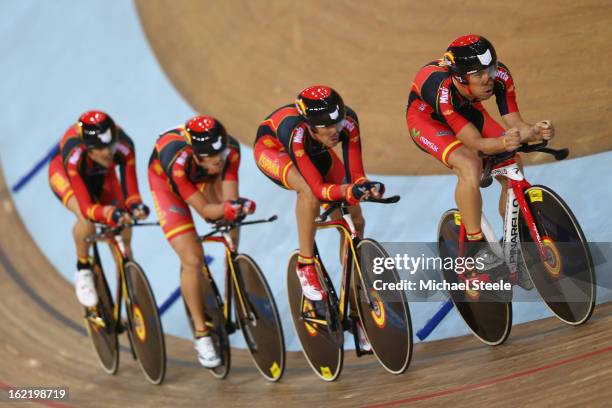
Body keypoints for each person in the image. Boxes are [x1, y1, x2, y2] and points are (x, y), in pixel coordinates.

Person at [406, 34, 555, 287]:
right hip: (428, 120)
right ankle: (476, 246)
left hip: (466, 109)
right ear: (461, 78)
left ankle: (514, 238)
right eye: (479, 74)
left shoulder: (500, 76)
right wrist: (501, 143)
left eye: (491, 69)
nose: (489, 78)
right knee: (469, 164)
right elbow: (474, 143)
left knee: (513, 162)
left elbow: (516, 125)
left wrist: (535, 130)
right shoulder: (440, 88)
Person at [254, 85, 383, 345]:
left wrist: (364, 186)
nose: (336, 131)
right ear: (311, 127)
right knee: (309, 193)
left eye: (338, 123)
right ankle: (305, 264)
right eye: (328, 128)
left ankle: (356, 311)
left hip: (316, 154)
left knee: (355, 221)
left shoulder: (347, 123)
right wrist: (347, 190)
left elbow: (356, 174)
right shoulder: (296, 132)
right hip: (276, 152)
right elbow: (319, 189)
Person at [148, 115, 255, 368]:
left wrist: (236, 208)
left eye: (221, 153)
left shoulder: (230, 152)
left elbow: (229, 202)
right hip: (168, 185)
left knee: (231, 222)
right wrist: (226, 209)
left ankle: (233, 285)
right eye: (210, 156)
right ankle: (201, 333)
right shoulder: (176, 162)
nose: (219, 159)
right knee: (192, 259)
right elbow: (206, 210)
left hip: (204, 177)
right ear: (196, 154)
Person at [48, 110, 150, 308]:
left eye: (111, 146)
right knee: (87, 222)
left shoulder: (124, 145)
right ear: (88, 149)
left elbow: (131, 191)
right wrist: (108, 213)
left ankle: (129, 288)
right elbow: (87, 208)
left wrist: (136, 207)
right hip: (67, 176)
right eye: (102, 148)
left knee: (122, 229)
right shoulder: (74, 153)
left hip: (103, 176)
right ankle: (83, 268)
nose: (109, 152)